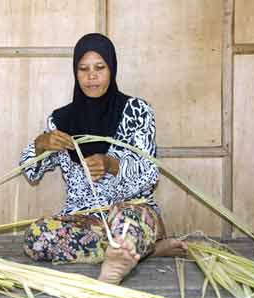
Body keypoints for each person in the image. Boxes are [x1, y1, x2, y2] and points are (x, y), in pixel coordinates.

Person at [20, 33, 187, 284]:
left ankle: (122, 252)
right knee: (36, 237)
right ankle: (139, 250)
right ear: (75, 73)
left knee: (128, 221)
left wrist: (112, 165)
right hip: (86, 219)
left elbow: (150, 175)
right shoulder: (60, 119)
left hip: (130, 209)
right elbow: (31, 173)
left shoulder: (137, 111)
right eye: (83, 69)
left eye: (100, 67)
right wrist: (40, 144)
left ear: (112, 68)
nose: (91, 76)